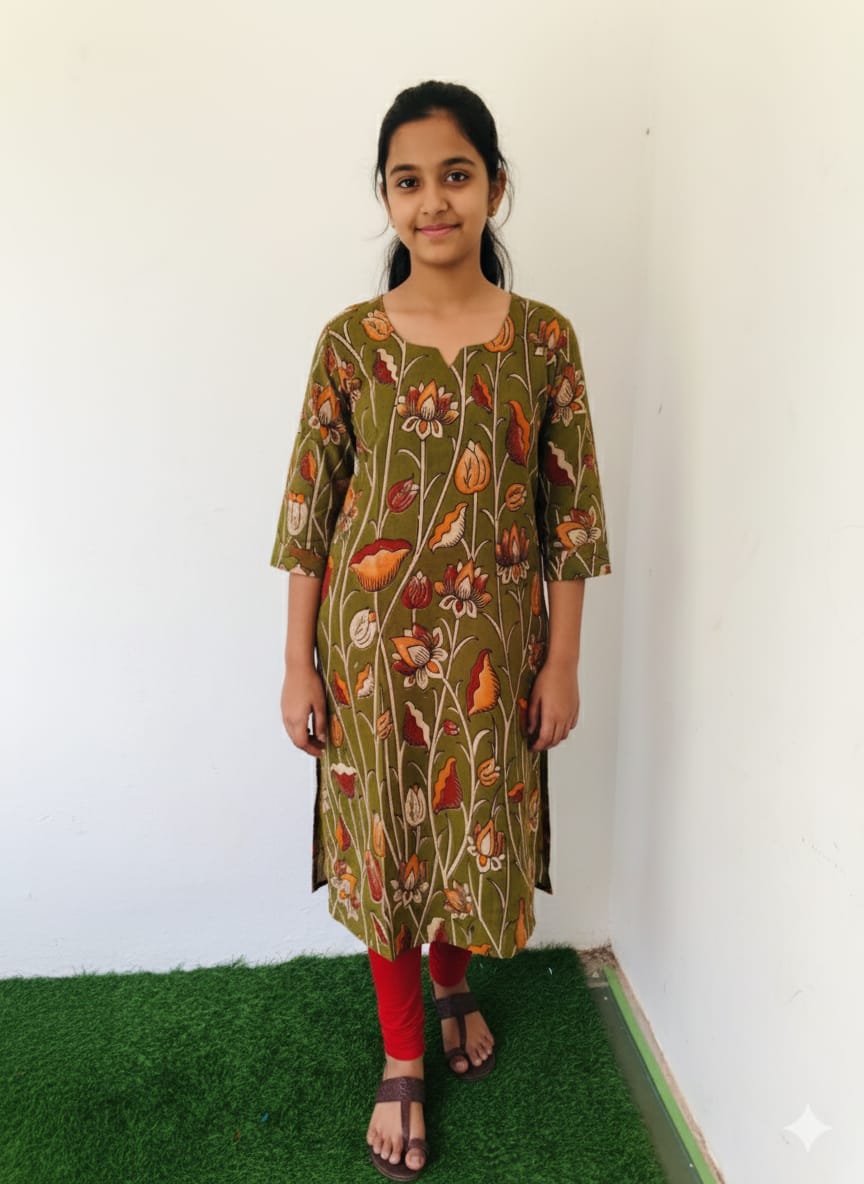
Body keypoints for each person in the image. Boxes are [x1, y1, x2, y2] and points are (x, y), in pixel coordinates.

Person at [270, 79, 612, 1181]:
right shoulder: (349, 343)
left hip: (494, 655)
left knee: (474, 832)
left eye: (455, 175)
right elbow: (309, 516)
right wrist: (296, 664)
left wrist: (563, 660)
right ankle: (403, 1052)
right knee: (386, 843)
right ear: (386, 197)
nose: (433, 201)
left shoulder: (545, 341)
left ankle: (454, 977)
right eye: (408, 181)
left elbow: (572, 517)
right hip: (369, 657)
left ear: (495, 187)